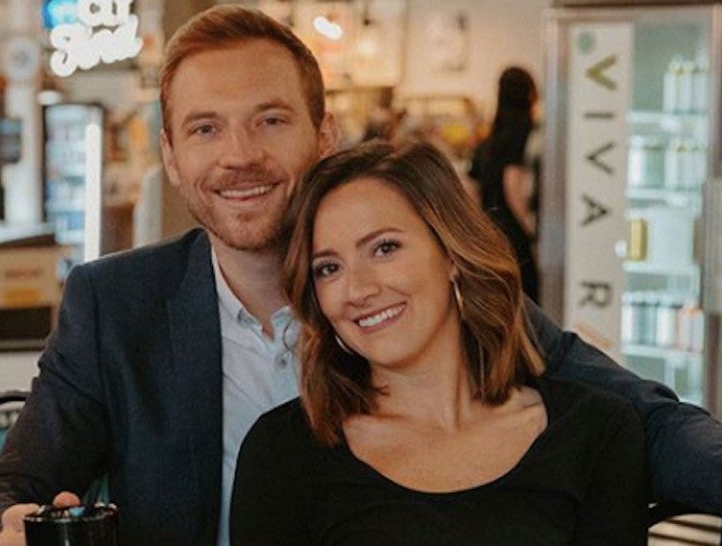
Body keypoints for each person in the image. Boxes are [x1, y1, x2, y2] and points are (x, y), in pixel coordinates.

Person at [0, 5, 722, 546]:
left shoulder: (424, 301)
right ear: (172, 157)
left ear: (323, 135)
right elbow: (7, 489)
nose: (240, 156)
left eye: (270, 120)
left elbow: (641, 417)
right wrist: (4, 530)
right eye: (206, 129)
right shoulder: (118, 304)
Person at [231, 139, 648, 544]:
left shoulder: (595, 432)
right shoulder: (282, 454)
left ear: (451, 253)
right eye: (328, 268)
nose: (356, 289)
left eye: (384, 248)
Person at [469, 66, 541, 302]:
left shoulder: (490, 140)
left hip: (491, 232)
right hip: (514, 234)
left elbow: (472, 187)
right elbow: (513, 184)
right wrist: (532, 230)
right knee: (528, 303)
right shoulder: (525, 132)